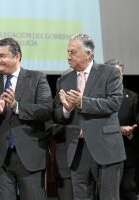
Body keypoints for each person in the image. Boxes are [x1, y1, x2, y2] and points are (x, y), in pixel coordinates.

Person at [53, 33, 125, 200]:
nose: (68, 56)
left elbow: (114, 103)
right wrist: (66, 110)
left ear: (88, 53)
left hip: (106, 148)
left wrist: (82, 102)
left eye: (73, 52)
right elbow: (57, 114)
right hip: (77, 149)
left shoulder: (110, 73)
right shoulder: (64, 79)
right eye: (68, 52)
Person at [0, 37, 53, 200]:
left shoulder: (37, 78)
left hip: (30, 156)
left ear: (17, 56)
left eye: (2, 56)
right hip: (0, 159)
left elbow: (46, 110)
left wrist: (17, 106)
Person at [105, 59, 138, 200]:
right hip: (104, 152)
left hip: (127, 153)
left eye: (121, 73)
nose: (119, 77)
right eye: (115, 73)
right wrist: (117, 129)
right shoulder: (96, 97)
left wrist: (132, 130)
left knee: (128, 190)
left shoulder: (132, 97)